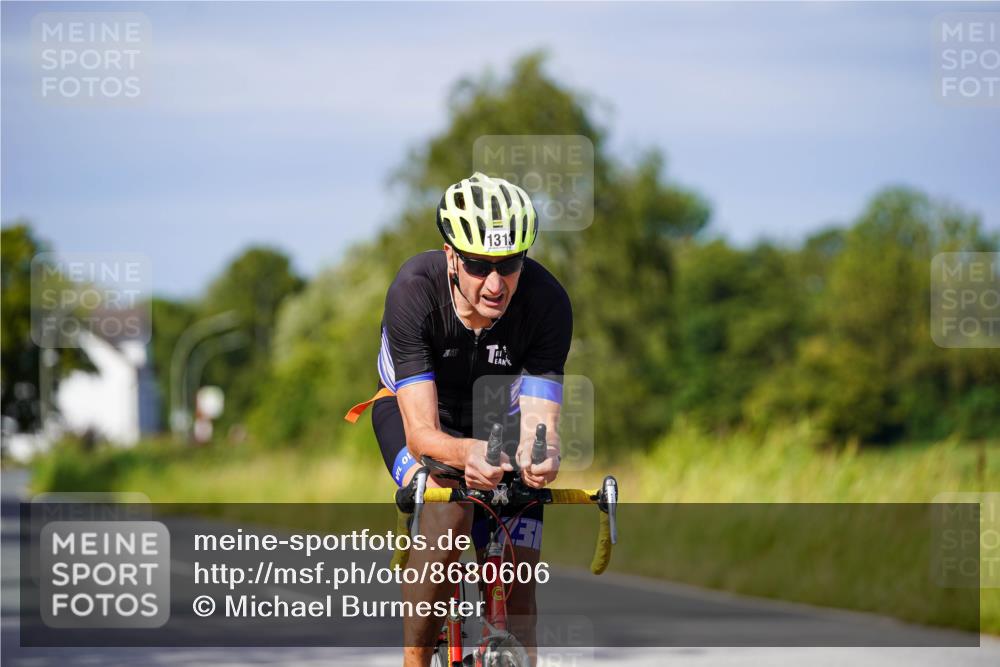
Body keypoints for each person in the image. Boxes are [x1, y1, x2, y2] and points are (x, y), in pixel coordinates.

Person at [345, 172, 572, 666]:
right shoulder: (414, 291)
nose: (495, 283)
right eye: (477, 265)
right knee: (449, 517)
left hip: (498, 422)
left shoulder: (547, 302)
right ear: (451, 255)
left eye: (509, 264)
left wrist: (543, 457)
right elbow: (422, 434)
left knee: (518, 589)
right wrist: (464, 454)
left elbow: (541, 424)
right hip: (417, 415)